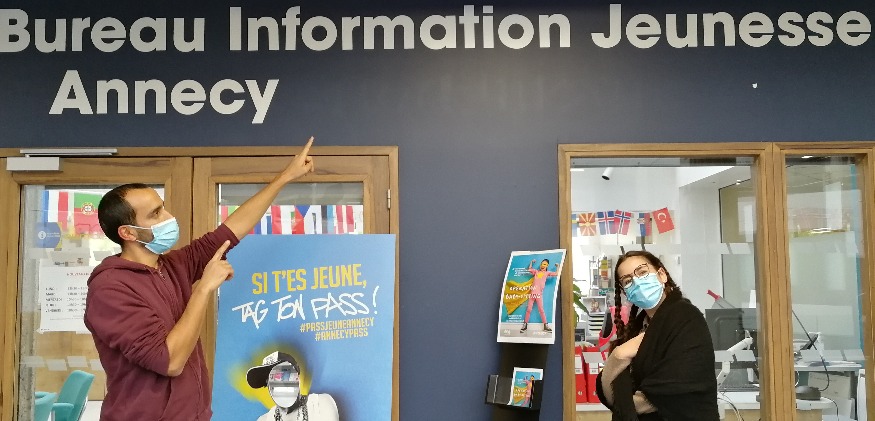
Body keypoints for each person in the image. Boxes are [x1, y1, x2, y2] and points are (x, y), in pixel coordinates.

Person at [83, 137, 315, 421]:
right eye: (155, 214)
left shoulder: (173, 265)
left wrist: (286, 177)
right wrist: (204, 287)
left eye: (163, 207)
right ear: (128, 233)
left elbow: (230, 231)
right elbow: (170, 361)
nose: (169, 217)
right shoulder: (109, 289)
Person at [596, 250, 718, 421]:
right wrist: (618, 355)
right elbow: (610, 390)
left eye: (642, 272)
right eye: (628, 281)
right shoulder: (639, 327)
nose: (637, 282)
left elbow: (675, 389)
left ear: (661, 275)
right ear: (625, 292)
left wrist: (622, 404)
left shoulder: (686, 318)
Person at [247, 351, 339, 421]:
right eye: (270, 380)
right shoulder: (264, 419)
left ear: (297, 377)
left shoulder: (320, 404)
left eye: (283, 375)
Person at [520, 259, 559, 333]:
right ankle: (525, 325)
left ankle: (546, 326)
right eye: (542, 264)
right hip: (532, 294)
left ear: (547, 266)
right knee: (528, 309)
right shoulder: (536, 272)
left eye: (544, 264)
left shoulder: (547, 273)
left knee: (541, 310)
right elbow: (529, 269)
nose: (542, 265)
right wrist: (531, 262)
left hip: (539, 295)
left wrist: (558, 266)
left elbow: (557, 273)